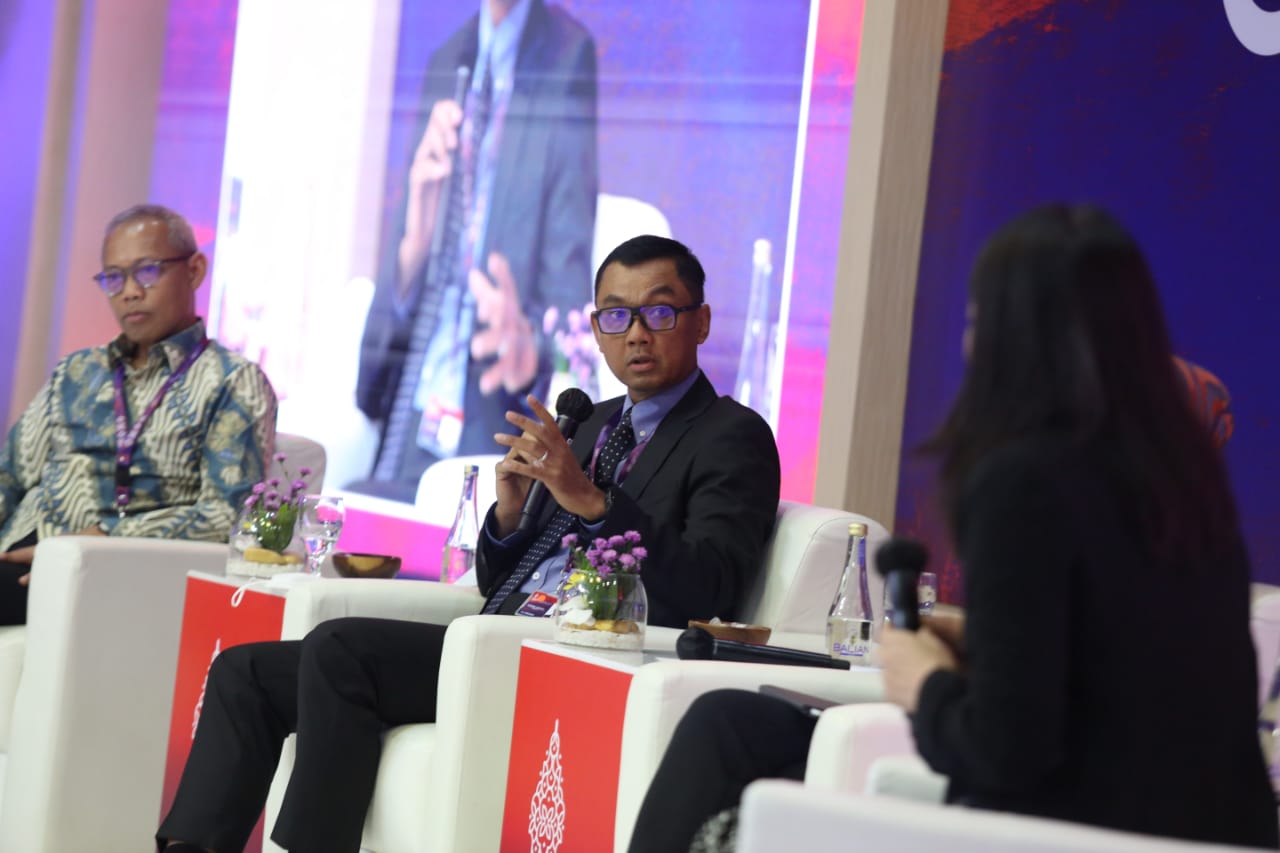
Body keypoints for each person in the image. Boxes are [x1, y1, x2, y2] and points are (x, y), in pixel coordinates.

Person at [626, 205, 1278, 852]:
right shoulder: (1187, 480)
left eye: (973, 321)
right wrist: (987, 635)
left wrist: (924, 682)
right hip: (1215, 827)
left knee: (724, 728)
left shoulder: (1022, 480)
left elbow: (1006, 752)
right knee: (735, 721)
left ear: (1007, 337)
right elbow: (1124, 661)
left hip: (1071, 826)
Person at [156, 235, 781, 853]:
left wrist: (594, 502)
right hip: (498, 634)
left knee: (340, 649)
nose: (637, 333)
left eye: (660, 312)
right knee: (244, 672)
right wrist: (508, 515)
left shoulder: (732, 436)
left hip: (572, 654)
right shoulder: (591, 422)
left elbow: (711, 585)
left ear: (700, 322)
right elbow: (498, 580)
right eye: (617, 315)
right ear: (596, 330)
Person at [354, 0, 598, 501]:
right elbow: (370, 385)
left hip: (489, 418)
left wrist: (529, 340)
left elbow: (568, 283)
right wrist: (414, 244)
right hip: (412, 419)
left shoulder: (565, 56)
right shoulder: (448, 58)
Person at [0, 204, 276, 625]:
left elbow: (228, 515)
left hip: (114, 570)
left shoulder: (232, 381)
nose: (129, 291)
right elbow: (9, 475)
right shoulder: (76, 372)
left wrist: (106, 538)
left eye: (147, 271)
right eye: (113, 278)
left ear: (194, 271)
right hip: (19, 552)